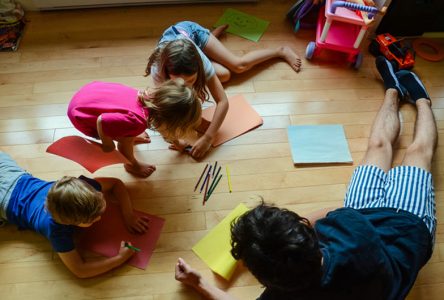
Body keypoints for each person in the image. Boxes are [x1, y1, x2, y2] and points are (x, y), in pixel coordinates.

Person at [174, 57, 437, 299]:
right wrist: (291, 228)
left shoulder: (281, 293)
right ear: (308, 232)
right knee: (416, 151)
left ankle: (393, 89)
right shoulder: (352, 234)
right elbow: (340, 212)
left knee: (378, 146)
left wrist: (200, 283)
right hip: (405, 230)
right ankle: (422, 99)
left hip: (365, 231)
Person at [145, 21, 302, 158]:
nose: (189, 87)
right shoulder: (158, 71)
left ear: (198, 68)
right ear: (167, 74)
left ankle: (279, 50)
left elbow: (223, 101)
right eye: (181, 82)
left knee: (237, 67)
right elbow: (162, 117)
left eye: (192, 80)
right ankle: (213, 42)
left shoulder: (197, 60)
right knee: (223, 76)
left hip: (192, 33)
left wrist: (208, 137)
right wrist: (177, 140)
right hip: (178, 46)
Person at [0, 151, 150, 278]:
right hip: (5, 203)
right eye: (94, 218)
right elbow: (80, 270)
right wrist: (120, 258)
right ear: (69, 223)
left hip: (15, 176)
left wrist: (128, 216)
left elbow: (116, 184)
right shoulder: (57, 231)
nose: (100, 218)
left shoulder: (84, 187)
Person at [67, 78, 201, 178]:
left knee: (129, 127)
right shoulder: (137, 122)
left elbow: (163, 127)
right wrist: (107, 144)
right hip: (81, 115)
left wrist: (177, 143)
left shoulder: (148, 98)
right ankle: (131, 165)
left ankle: (127, 133)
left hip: (91, 93)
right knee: (125, 141)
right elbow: (102, 120)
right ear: (167, 120)